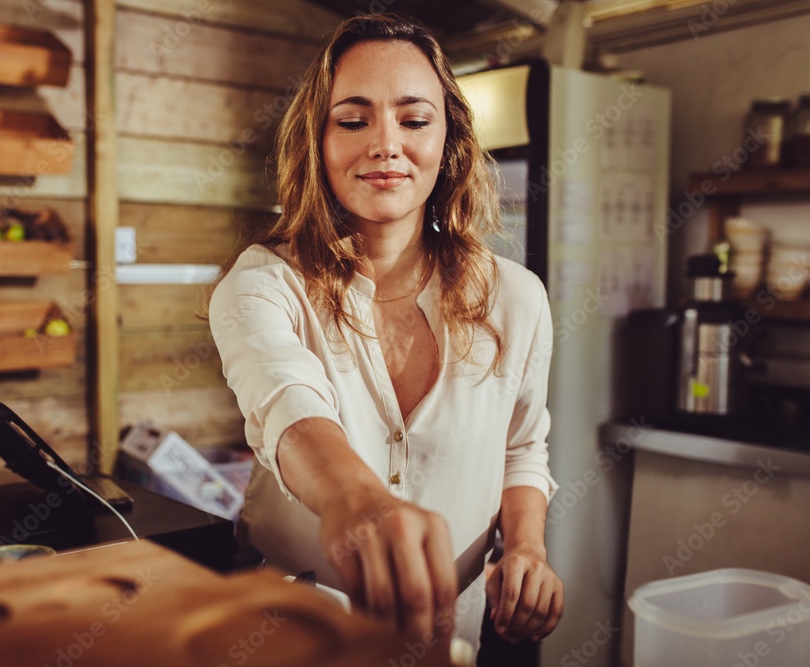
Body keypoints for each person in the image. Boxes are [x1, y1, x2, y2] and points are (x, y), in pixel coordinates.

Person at [208, 13, 563, 659]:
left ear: (448, 138)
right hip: (290, 634)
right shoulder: (262, 285)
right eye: (352, 119)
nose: (385, 143)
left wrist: (528, 550)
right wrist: (358, 501)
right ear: (316, 140)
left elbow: (521, 448)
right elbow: (289, 406)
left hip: (450, 639)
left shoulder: (517, 297)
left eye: (413, 118)